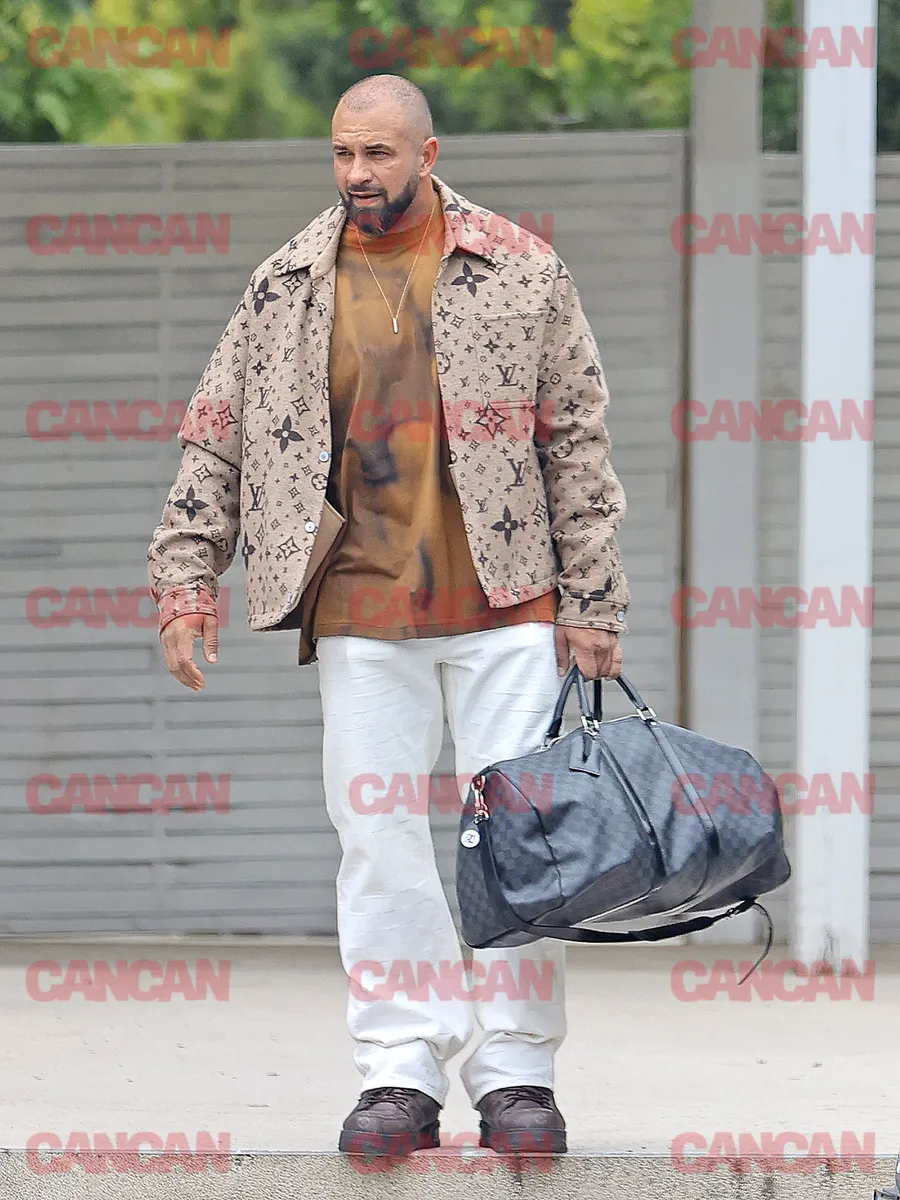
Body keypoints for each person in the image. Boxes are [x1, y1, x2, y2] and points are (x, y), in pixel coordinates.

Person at [147, 73, 629, 1157]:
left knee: (521, 841)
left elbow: (577, 440)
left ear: (428, 153)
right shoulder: (285, 283)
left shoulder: (521, 268)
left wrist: (594, 598)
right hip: (360, 604)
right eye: (342, 154)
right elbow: (216, 432)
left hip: (509, 601)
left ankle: (517, 1074)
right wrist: (186, 579)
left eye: (378, 154)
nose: (357, 174)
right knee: (378, 840)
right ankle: (400, 1071)